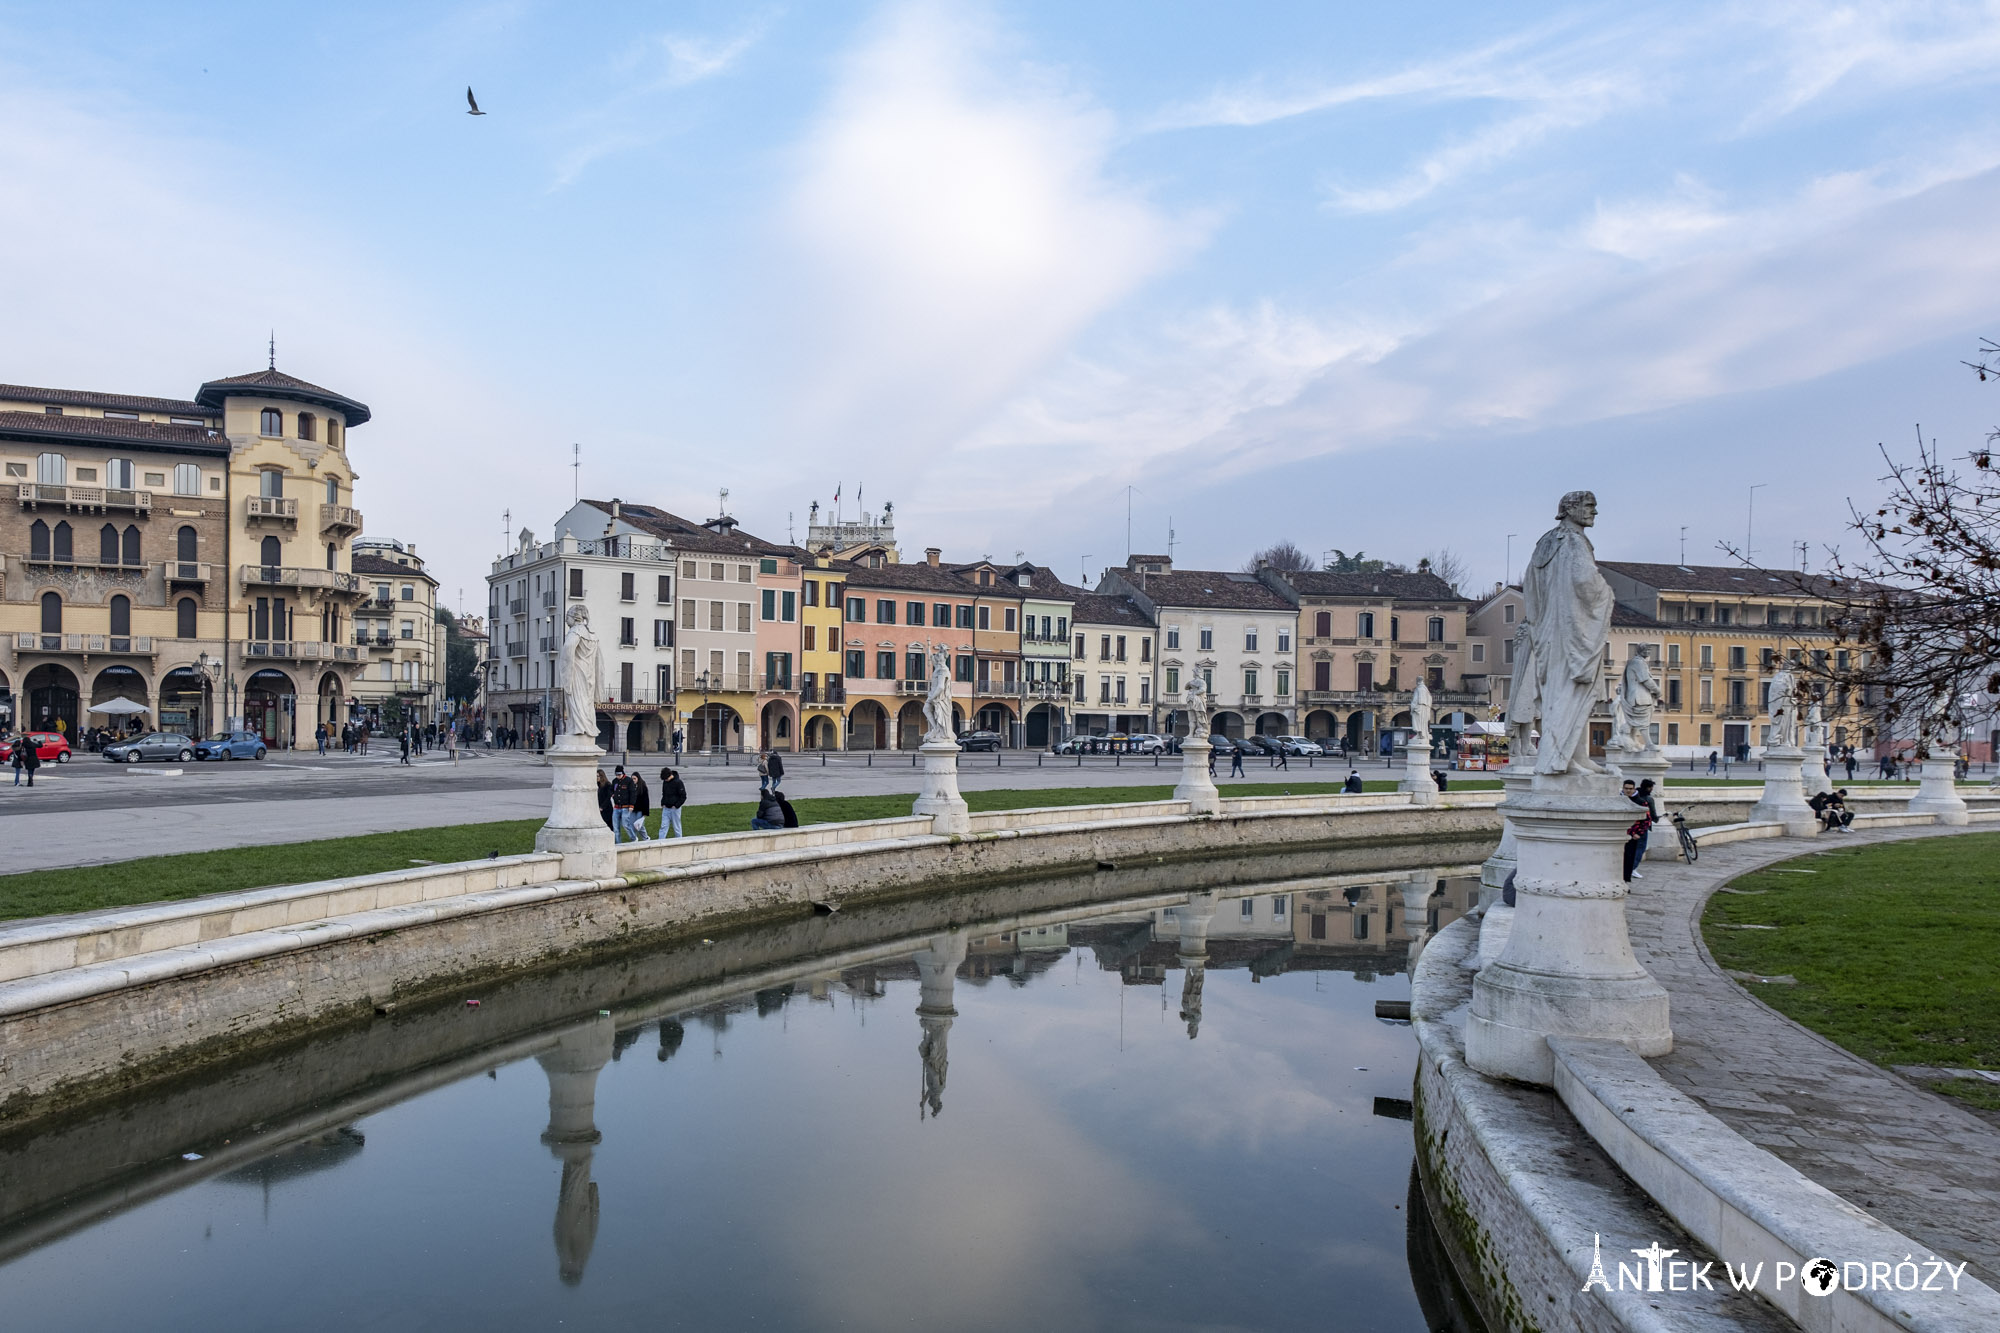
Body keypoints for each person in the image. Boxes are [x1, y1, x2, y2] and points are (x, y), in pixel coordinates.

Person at [1630, 778, 1660, 872]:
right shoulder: (1648, 799)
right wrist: (1657, 819)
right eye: (1651, 787)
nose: (1652, 789)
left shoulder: (1634, 795)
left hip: (1631, 826)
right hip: (1642, 826)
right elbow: (1652, 814)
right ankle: (1633, 868)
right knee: (1640, 847)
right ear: (1648, 788)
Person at [610, 766, 640, 842]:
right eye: (616, 775)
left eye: (619, 775)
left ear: (623, 773)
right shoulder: (614, 781)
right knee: (616, 827)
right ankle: (618, 843)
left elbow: (633, 793)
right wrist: (612, 794)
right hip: (616, 807)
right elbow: (611, 790)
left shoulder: (629, 781)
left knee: (625, 824)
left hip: (626, 807)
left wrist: (631, 805)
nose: (618, 776)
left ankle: (633, 838)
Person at [658, 767, 687, 837]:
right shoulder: (665, 782)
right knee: (663, 826)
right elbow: (664, 793)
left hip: (675, 809)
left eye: (666, 779)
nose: (666, 780)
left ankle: (679, 841)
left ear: (670, 775)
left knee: (677, 827)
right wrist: (663, 803)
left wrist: (676, 805)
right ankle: (660, 841)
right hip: (666, 808)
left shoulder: (678, 782)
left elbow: (683, 796)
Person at [631, 769, 652, 837]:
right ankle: (634, 839)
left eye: (634, 778)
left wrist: (645, 812)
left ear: (638, 779)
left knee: (639, 825)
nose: (633, 780)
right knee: (632, 825)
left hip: (640, 810)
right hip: (633, 809)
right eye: (632, 779)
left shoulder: (643, 787)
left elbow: (646, 800)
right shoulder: (631, 787)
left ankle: (646, 838)